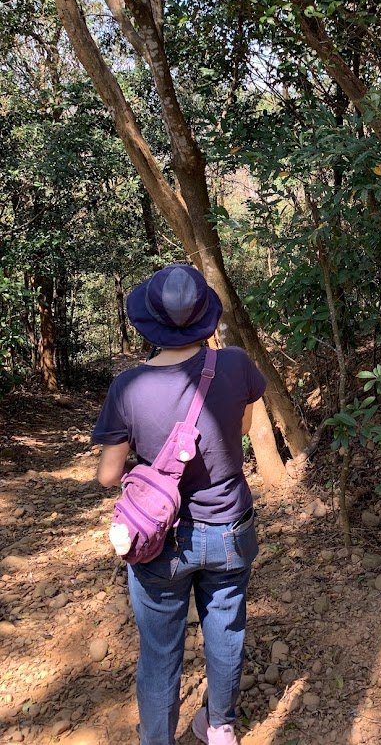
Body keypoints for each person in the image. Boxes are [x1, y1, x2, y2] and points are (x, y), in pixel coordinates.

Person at [91, 264, 266, 745]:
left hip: (159, 538)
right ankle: (221, 726)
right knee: (226, 631)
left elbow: (109, 474)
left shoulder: (127, 387)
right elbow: (245, 431)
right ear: (203, 316)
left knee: (160, 650)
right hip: (229, 524)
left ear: (149, 321)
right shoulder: (235, 364)